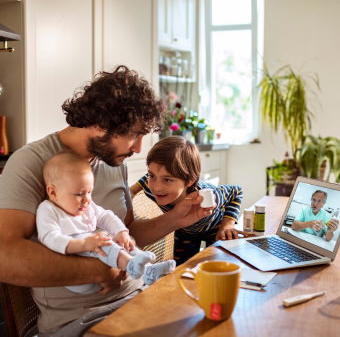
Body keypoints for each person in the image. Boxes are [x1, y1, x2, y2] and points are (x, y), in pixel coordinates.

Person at [0, 66, 214, 336]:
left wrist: (177, 218)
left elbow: (127, 232)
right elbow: (4, 256)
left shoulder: (113, 162)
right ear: (101, 123)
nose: (138, 148)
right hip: (84, 319)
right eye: (134, 135)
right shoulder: (30, 163)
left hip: (140, 295)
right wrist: (98, 271)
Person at [38, 151, 176, 294]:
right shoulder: (48, 210)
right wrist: (85, 244)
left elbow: (105, 216)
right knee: (101, 240)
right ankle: (130, 264)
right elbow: (49, 237)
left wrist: (121, 232)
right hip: (80, 277)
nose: (86, 199)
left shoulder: (86, 206)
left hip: (99, 262)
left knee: (123, 243)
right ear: (53, 193)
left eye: (89, 192)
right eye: (79, 194)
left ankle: (149, 270)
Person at [129, 136, 247, 266]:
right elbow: (146, 178)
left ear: (190, 180)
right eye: (153, 176)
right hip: (184, 232)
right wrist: (133, 190)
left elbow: (236, 191)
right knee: (183, 269)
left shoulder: (207, 196)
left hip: (214, 229)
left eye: (167, 180)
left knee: (216, 267)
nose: (156, 188)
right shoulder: (150, 188)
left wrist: (227, 225)